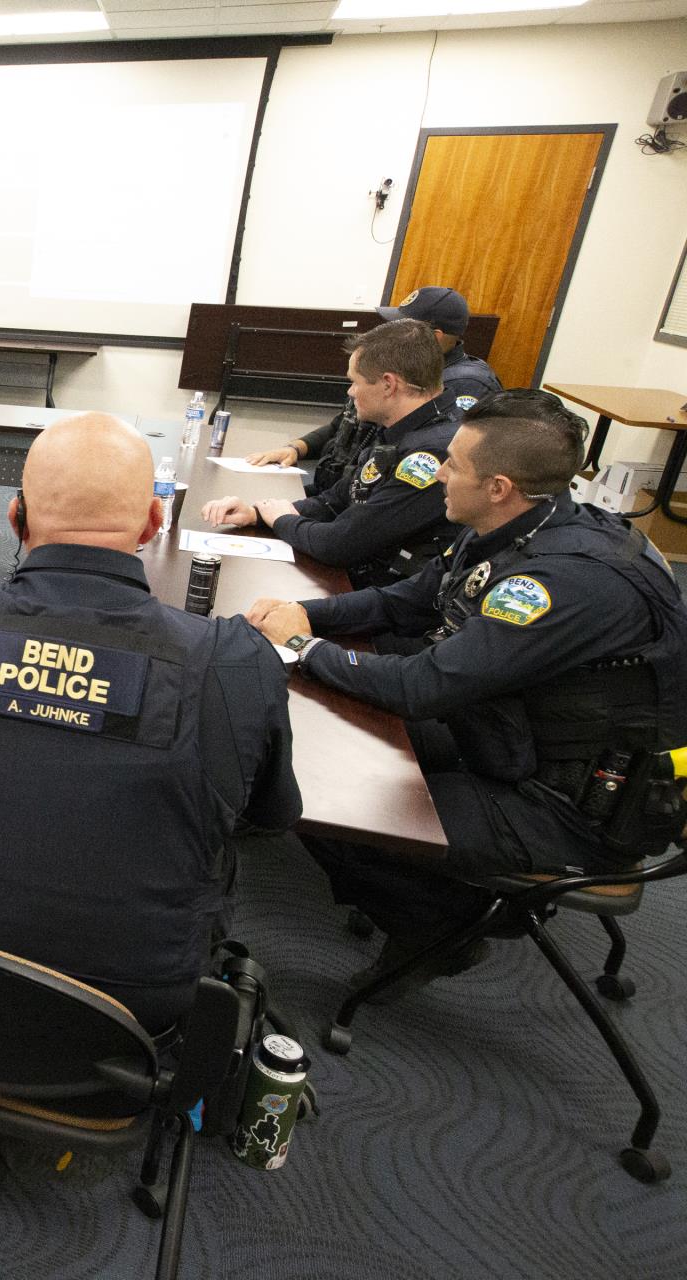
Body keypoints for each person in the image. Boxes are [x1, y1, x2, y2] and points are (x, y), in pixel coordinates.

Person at [0, 413, 301, 1032]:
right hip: (128, 1023)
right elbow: (270, 819)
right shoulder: (235, 664)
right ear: (153, 524)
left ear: (15, 518)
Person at [248, 392, 687, 996]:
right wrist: (306, 614)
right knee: (312, 741)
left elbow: (424, 687)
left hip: (571, 806)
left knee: (322, 795)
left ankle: (437, 928)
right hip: (508, 737)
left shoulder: (561, 580)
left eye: (453, 465)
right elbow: (407, 599)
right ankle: (437, 896)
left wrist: (304, 649)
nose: (439, 474)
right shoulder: (518, 526)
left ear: (500, 485)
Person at [202, 319, 459, 587]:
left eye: (355, 382)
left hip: (385, 600)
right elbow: (336, 501)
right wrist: (256, 514)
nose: (351, 392)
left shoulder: (430, 454)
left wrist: (281, 519)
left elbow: (340, 544)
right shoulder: (400, 430)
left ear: (388, 385)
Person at [247, 285, 502, 478]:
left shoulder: (464, 383)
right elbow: (347, 422)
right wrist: (298, 447)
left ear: (433, 338)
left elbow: (434, 457)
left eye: (403, 327)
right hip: (339, 481)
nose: (390, 334)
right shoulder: (394, 367)